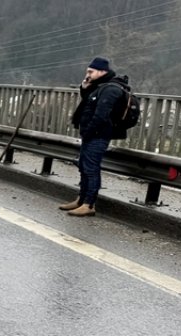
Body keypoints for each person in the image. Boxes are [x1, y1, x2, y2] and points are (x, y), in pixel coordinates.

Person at [60, 57, 127, 217]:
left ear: (102, 71)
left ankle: (89, 204)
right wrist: (84, 87)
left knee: (91, 169)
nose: (88, 74)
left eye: (91, 71)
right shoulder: (99, 86)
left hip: (99, 135)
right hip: (91, 134)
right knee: (84, 167)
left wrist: (88, 131)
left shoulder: (111, 89)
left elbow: (101, 115)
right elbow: (89, 102)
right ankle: (81, 199)